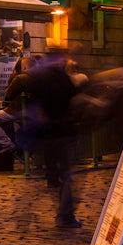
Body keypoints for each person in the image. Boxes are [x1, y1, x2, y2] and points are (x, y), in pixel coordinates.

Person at [24, 47, 83, 229]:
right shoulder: (63, 78)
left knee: (54, 171)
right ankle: (65, 215)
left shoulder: (38, 77)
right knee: (67, 175)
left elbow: (32, 102)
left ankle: (32, 211)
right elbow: (74, 102)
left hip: (46, 132)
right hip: (64, 132)